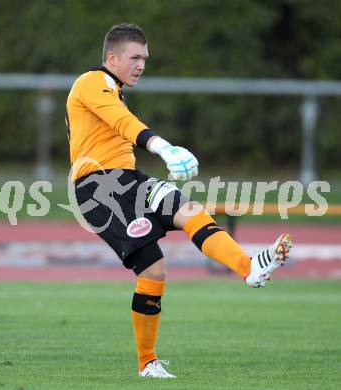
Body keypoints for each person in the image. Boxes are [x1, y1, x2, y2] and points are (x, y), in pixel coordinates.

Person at [66, 23, 292, 379]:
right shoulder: (92, 81)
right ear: (112, 57)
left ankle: (250, 268)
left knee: (189, 211)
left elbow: (118, 122)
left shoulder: (113, 88)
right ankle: (147, 363)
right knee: (154, 270)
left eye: (145, 58)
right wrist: (162, 147)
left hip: (127, 182)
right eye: (134, 57)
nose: (141, 64)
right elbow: (121, 122)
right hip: (98, 190)